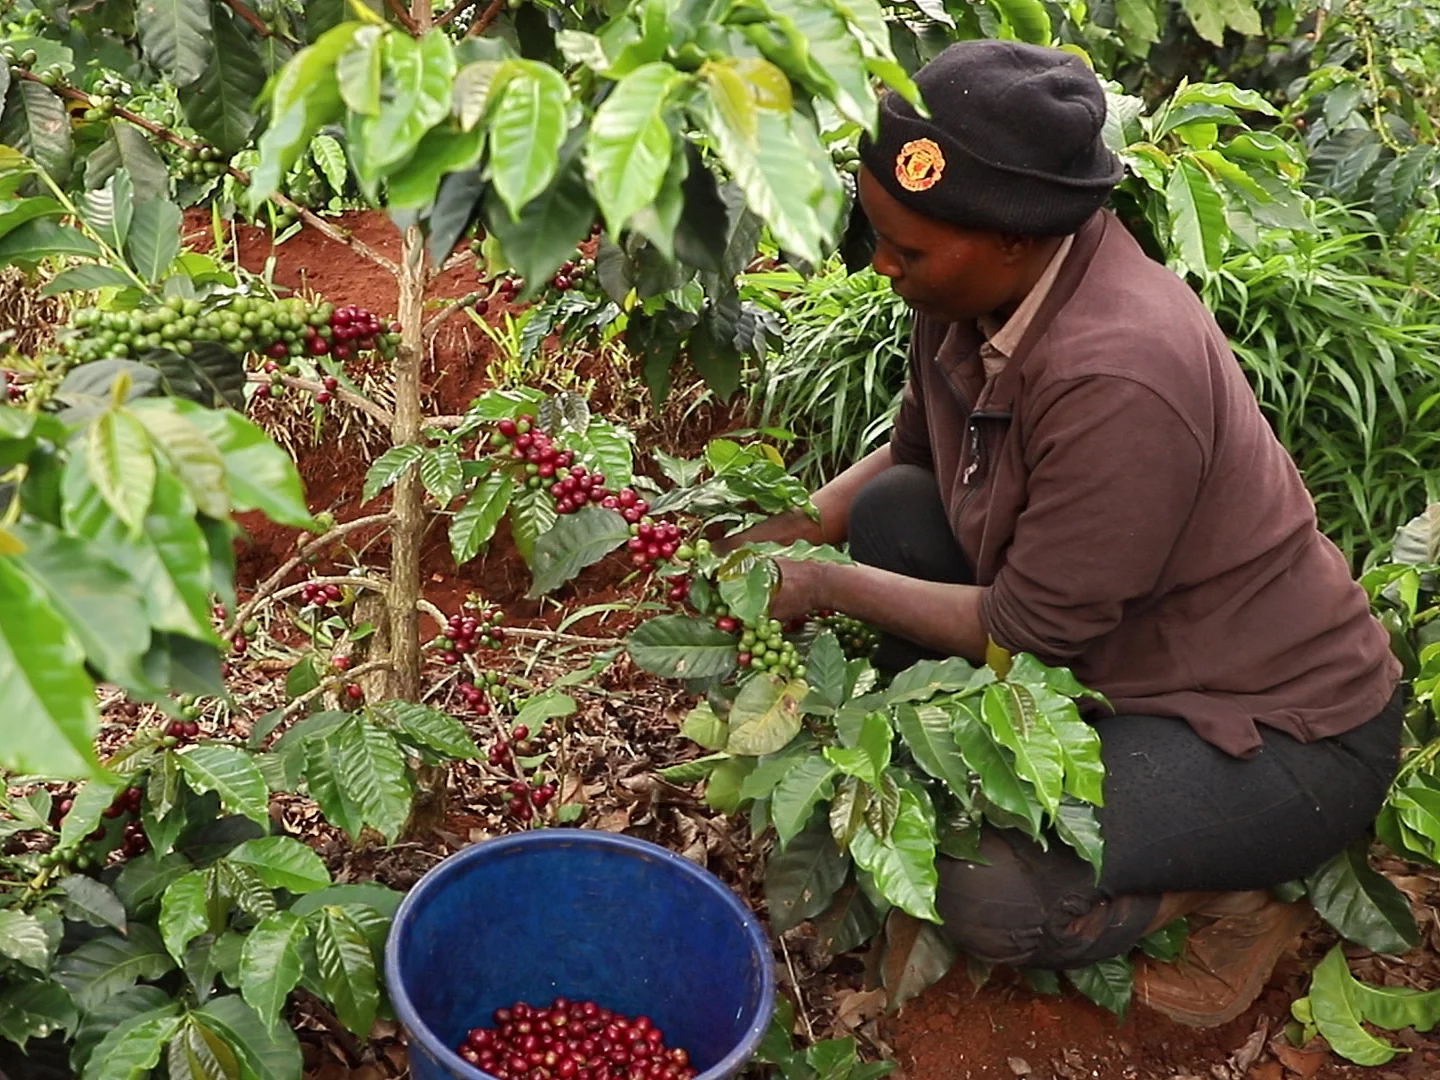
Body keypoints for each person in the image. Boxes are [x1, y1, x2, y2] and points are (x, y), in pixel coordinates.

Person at [723, 38, 1405, 1027]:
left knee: (987, 892)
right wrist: (796, 526)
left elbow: (1024, 630)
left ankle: (1232, 895)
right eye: (879, 234)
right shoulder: (970, 289)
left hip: (1279, 729)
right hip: (1118, 647)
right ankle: (1119, 803)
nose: (884, 267)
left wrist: (819, 584)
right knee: (887, 513)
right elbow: (911, 452)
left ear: (1010, 233)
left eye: (906, 250)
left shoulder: (1120, 372)